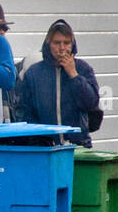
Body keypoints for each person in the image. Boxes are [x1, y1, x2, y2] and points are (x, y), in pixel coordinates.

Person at [14, 19, 101, 147]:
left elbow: (90, 103)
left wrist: (74, 75)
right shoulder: (34, 73)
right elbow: (25, 113)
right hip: (45, 148)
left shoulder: (83, 68)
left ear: (72, 45)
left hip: (78, 145)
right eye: (57, 43)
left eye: (66, 43)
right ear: (48, 44)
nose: (62, 48)